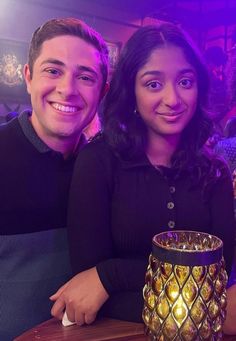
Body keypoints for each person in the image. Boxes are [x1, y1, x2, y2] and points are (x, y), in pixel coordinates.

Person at [51, 23, 235, 330]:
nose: (173, 99)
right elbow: (86, 284)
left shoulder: (214, 171)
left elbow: (217, 276)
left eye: (185, 82)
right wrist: (201, 310)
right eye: (153, 84)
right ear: (131, 91)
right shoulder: (98, 162)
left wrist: (111, 276)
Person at [0, 17, 108, 341]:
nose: (67, 89)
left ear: (102, 91)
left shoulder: (107, 167)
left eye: (85, 76)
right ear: (28, 77)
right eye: (53, 70)